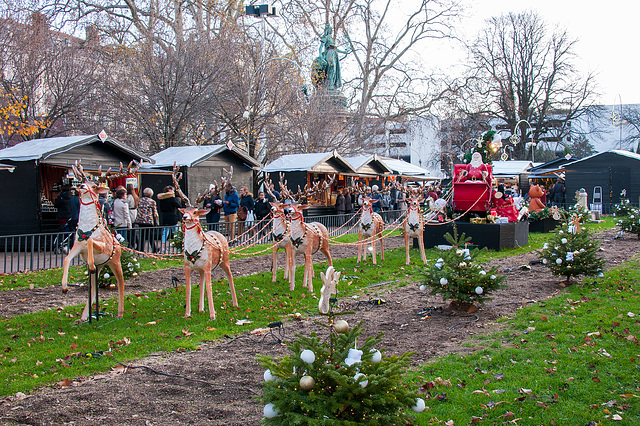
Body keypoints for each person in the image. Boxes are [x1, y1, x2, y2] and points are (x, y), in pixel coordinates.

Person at [134, 188, 159, 253]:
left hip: (140, 220)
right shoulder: (152, 201)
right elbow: (154, 212)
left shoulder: (140, 200)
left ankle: (140, 248)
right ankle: (153, 248)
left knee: (142, 235)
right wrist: (156, 220)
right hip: (148, 220)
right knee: (150, 235)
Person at [158, 185, 183, 252]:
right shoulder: (172, 199)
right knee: (176, 232)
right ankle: (179, 248)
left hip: (165, 217)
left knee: (165, 233)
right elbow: (179, 205)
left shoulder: (162, 199)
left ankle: (162, 248)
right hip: (172, 217)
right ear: (169, 191)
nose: (173, 192)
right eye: (172, 190)